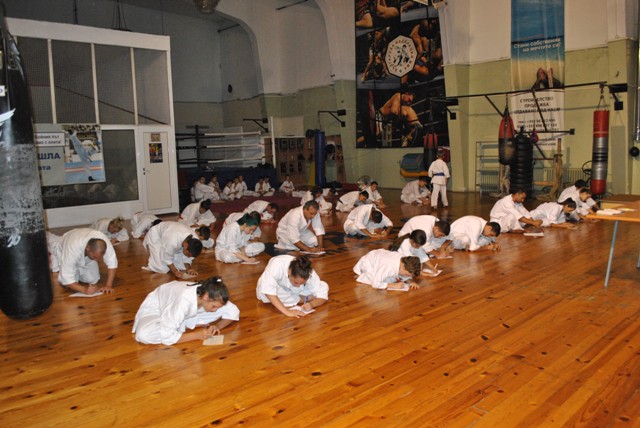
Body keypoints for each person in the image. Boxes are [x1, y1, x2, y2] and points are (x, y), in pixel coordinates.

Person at [133, 276, 239, 345]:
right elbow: (167, 338)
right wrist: (197, 335)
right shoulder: (183, 301)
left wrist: (218, 326)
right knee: (143, 335)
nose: (215, 310)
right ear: (206, 297)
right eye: (214, 306)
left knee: (225, 310)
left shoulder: (211, 294)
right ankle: (179, 325)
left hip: (183, 310)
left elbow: (234, 311)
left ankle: (181, 324)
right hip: (158, 309)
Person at [47, 228, 118, 295]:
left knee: (93, 279)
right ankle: (55, 253)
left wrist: (108, 285)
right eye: (95, 257)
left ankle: (76, 269)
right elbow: (67, 278)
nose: (97, 260)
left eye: (99, 258)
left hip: (83, 249)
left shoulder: (103, 242)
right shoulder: (73, 247)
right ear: (88, 248)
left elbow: (112, 262)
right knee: (66, 283)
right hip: (67, 244)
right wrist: (84, 290)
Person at [256, 255, 328, 317]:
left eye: (303, 283)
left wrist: (311, 304)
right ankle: (304, 298)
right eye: (296, 282)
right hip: (278, 289)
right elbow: (268, 290)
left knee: (324, 286)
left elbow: (322, 293)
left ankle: (302, 298)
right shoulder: (277, 264)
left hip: (294, 293)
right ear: (289, 271)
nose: (298, 286)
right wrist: (287, 312)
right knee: (269, 294)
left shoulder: (309, 272)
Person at [353, 249, 421, 290]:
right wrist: (393, 286)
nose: (407, 276)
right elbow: (376, 284)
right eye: (407, 274)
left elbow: (405, 274)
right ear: (403, 267)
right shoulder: (388, 266)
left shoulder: (404, 261)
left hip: (379, 258)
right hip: (369, 262)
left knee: (392, 278)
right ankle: (362, 273)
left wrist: (411, 282)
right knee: (379, 280)